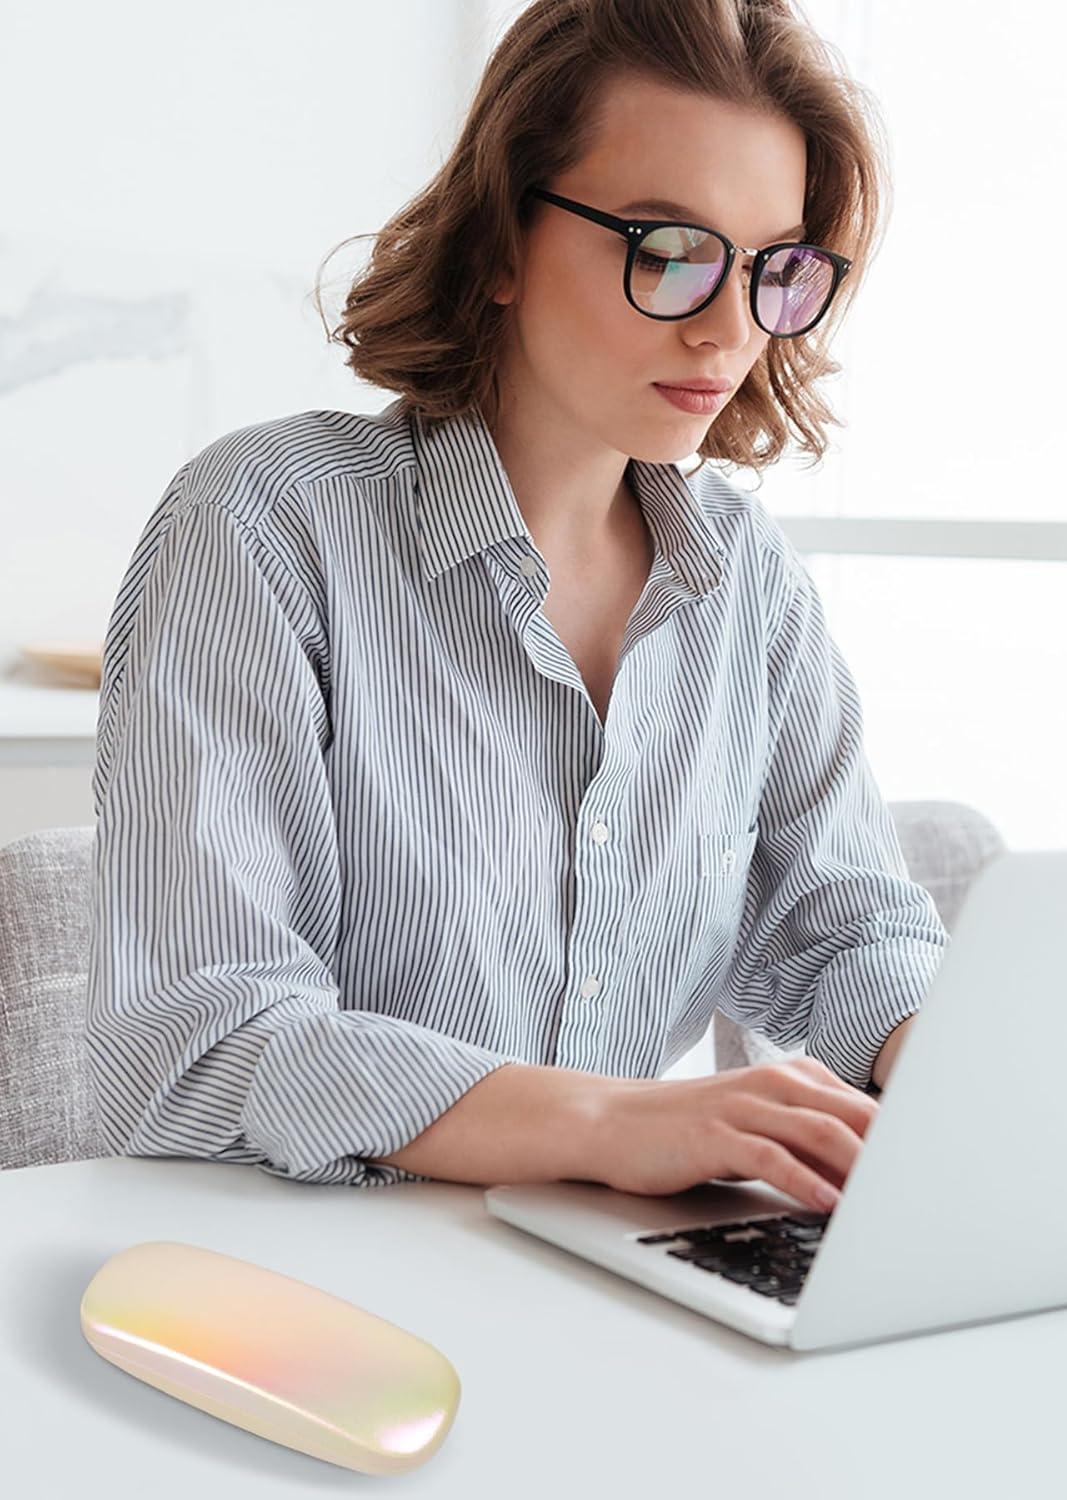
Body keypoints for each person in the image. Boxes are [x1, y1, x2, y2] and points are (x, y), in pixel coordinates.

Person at [86, 0, 948, 1214]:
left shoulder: (747, 585)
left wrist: (975, 1092)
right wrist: (612, 1120)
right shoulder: (265, 528)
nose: (729, 325)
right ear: (499, 239)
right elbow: (199, 1043)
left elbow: (841, 935)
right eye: (667, 251)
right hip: (310, 1300)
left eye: (773, 269)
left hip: (600, 1280)